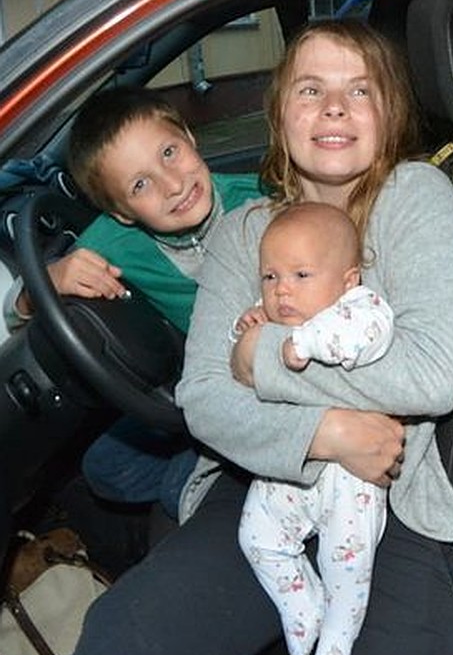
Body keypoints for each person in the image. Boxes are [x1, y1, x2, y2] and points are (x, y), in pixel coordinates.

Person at [71, 20, 453, 655]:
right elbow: (204, 401)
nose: (335, 108)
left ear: (389, 109)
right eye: (311, 89)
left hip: (401, 505)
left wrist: (262, 356)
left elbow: (433, 373)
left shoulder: (413, 199)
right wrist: (326, 431)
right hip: (273, 486)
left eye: (359, 89)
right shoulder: (242, 231)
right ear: (279, 112)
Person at [2, 87, 261, 517]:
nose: (173, 185)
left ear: (190, 138)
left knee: (175, 484)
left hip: (264, 383)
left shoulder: (260, 199)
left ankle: (217, 488)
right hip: (188, 384)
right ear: (121, 212)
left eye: (169, 152)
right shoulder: (114, 241)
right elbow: (17, 310)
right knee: (104, 468)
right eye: (141, 184)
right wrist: (52, 277)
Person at [235, 200, 395, 655]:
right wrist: (249, 332)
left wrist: (302, 343)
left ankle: (339, 637)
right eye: (270, 277)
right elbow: (239, 363)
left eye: (301, 274)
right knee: (257, 536)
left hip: (352, 481)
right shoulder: (272, 317)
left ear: (347, 282)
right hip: (289, 469)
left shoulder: (360, 308)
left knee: (347, 562)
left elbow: (367, 335)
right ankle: (302, 606)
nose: (282, 290)